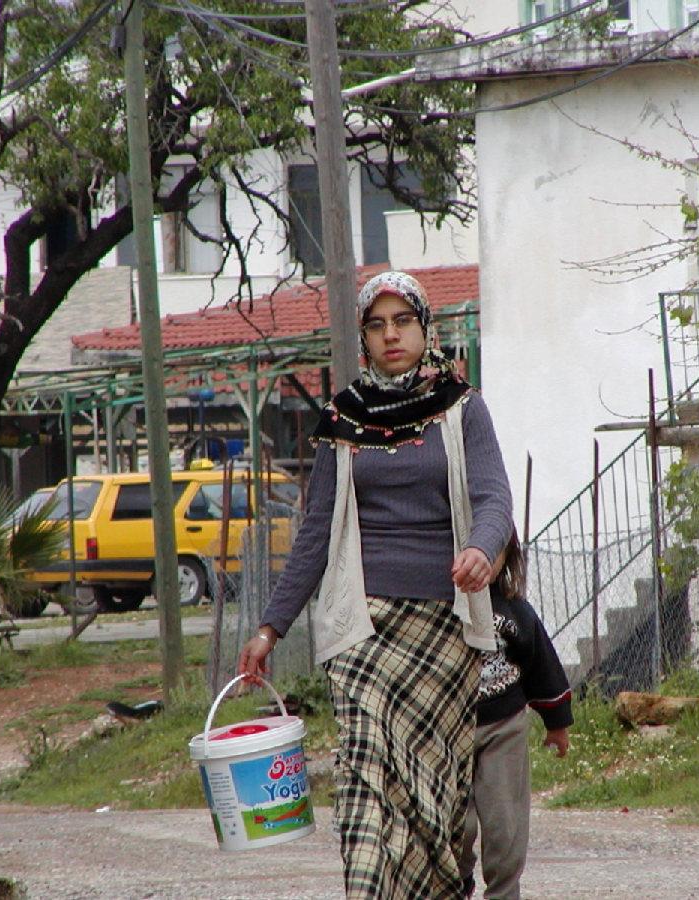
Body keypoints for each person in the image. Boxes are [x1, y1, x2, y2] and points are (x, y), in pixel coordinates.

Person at [238, 270, 513, 899]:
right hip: (360, 630)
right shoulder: (343, 418)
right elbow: (315, 532)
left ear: (425, 329)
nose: (391, 335)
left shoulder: (462, 407)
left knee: (430, 796)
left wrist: (480, 547)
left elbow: (494, 496)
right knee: (364, 777)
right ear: (363, 338)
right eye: (377, 325)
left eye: (403, 321)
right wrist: (270, 628)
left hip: (444, 631)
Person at [460, 530, 572, 900]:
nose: (483, 562)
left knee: (505, 823)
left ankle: (504, 892)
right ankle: (454, 883)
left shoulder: (515, 611)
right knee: (454, 825)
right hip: (449, 729)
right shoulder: (439, 609)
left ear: (508, 558)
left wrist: (557, 724)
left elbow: (543, 666)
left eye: (494, 554)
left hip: (503, 727)